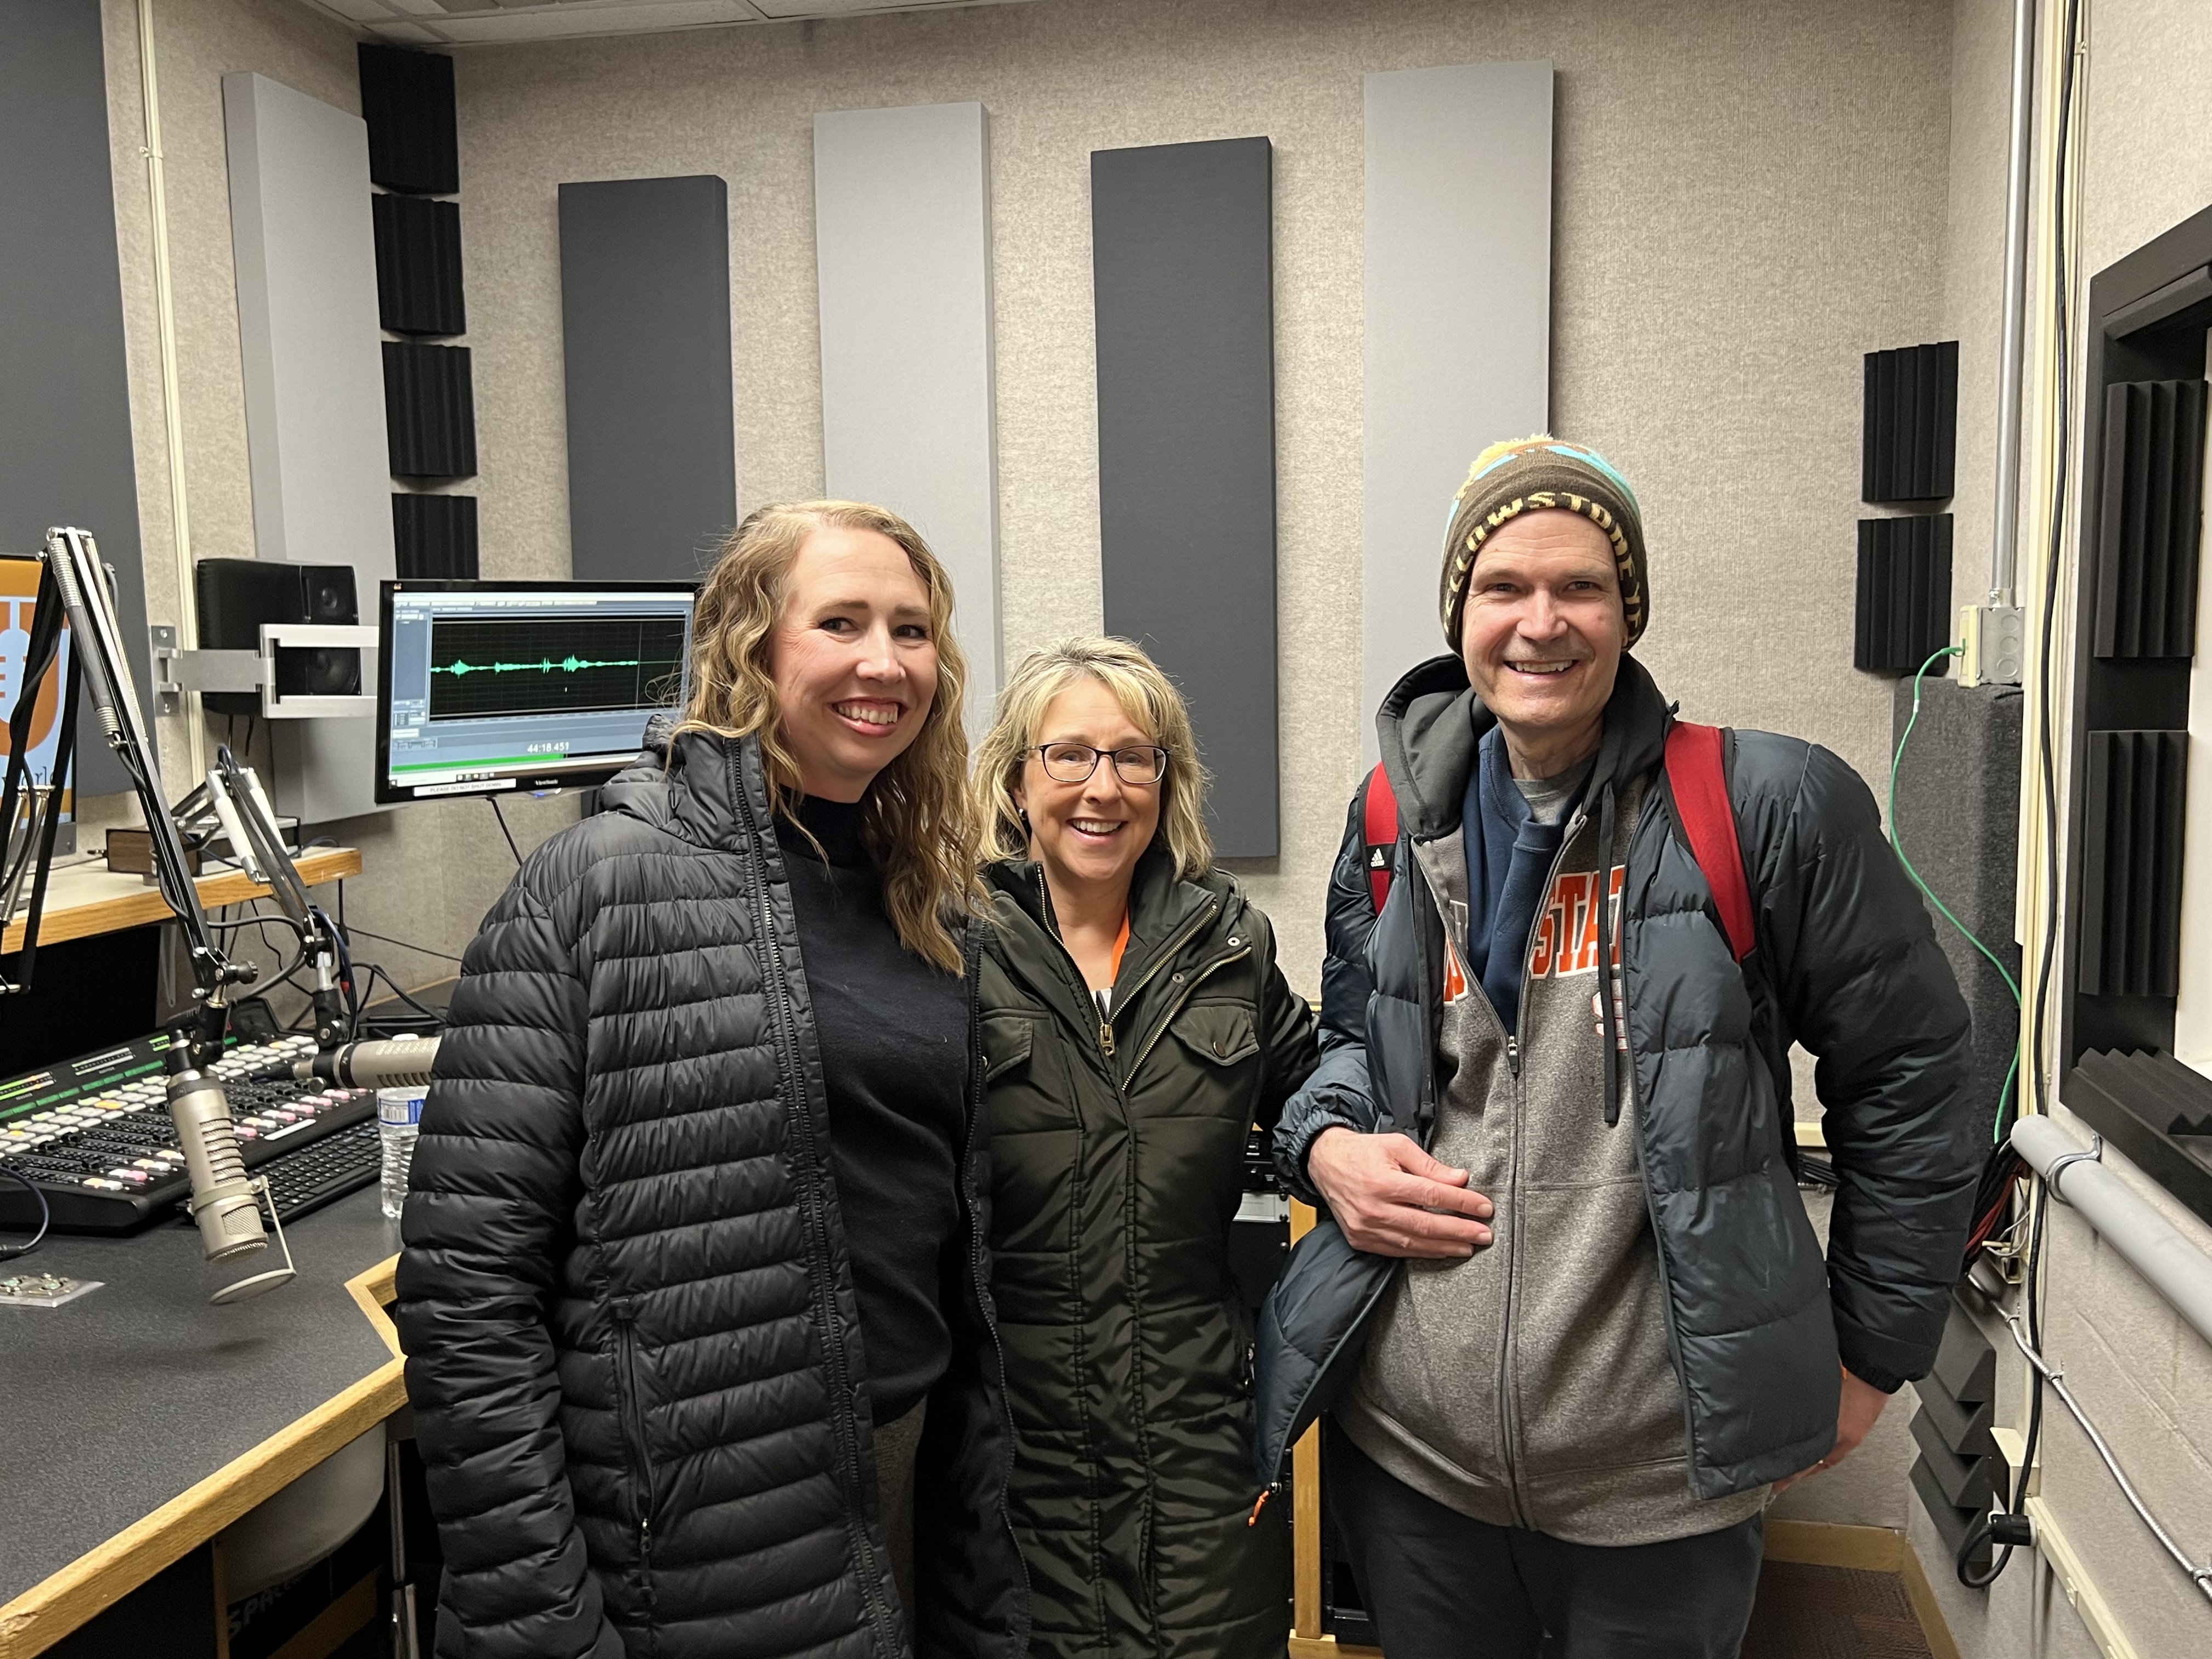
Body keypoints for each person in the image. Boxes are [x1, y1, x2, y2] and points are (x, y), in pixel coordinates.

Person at [1256, 437, 1977, 1658]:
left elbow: (1915, 1083)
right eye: (1504, 588)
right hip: (1417, 1466)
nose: (1542, 623)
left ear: (1628, 610)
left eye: (1581, 587)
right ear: (1460, 611)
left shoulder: (1768, 807)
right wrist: (1323, 1142)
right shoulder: (1390, 817)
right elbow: (1345, 1044)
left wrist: (1870, 1355)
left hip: (1662, 1485)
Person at [394, 501, 1027, 1659]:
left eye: (913, 629)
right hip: (689, 1539)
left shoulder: (932, 903)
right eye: (839, 622)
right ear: (749, 642)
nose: (883, 662)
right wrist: (545, 1621)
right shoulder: (593, 887)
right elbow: (465, 1297)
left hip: (904, 1481)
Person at [970, 636, 1319, 1659]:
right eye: (1068, 755)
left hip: (1197, 1430)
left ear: (1168, 782)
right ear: (1017, 777)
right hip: (1011, 1442)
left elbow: (1317, 1090)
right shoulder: (944, 947)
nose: (1102, 787)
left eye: (1134, 757)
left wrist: (1335, 1139)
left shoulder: (1228, 945)